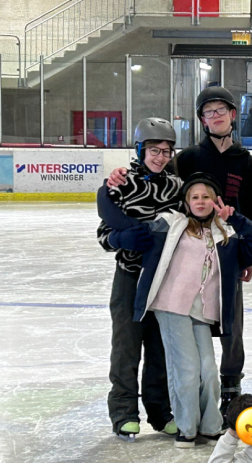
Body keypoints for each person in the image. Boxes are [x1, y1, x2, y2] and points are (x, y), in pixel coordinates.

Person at [106, 87, 252, 428]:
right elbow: (150, 187)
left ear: (233, 115)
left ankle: (225, 389)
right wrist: (114, 185)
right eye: (209, 112)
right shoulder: (188, 159)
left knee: (225, 327)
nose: (216, 116)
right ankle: (139, 411)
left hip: (221, 256)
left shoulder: (245, 160)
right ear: (202, 119)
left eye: (222, 110)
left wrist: (247, 256)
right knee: (148, 341)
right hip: (172, 267)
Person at [133, 174, 252, 448]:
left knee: (209, 370)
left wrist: (236, 219)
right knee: (186, 369)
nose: (200, 201)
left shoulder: (226, 232)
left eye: (206, 197)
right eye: (194, 197)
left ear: (215, 201)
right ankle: (186, 428)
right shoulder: (171, 224)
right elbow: (133, 234)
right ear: (186, 202)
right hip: (171, 306)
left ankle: (210, 427)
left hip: (203, 310)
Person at [96, 117, 183, 442]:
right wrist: (121, 240)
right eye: (154, 150)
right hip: (129, 278)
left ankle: (160, 413)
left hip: (163, 280)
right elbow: (103, 234)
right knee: (126, 346)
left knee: (160, 349)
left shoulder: (175, 187)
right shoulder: (123, 183)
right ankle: (124, 414)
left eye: (166, 151)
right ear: (140, 149)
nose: (160, 157)